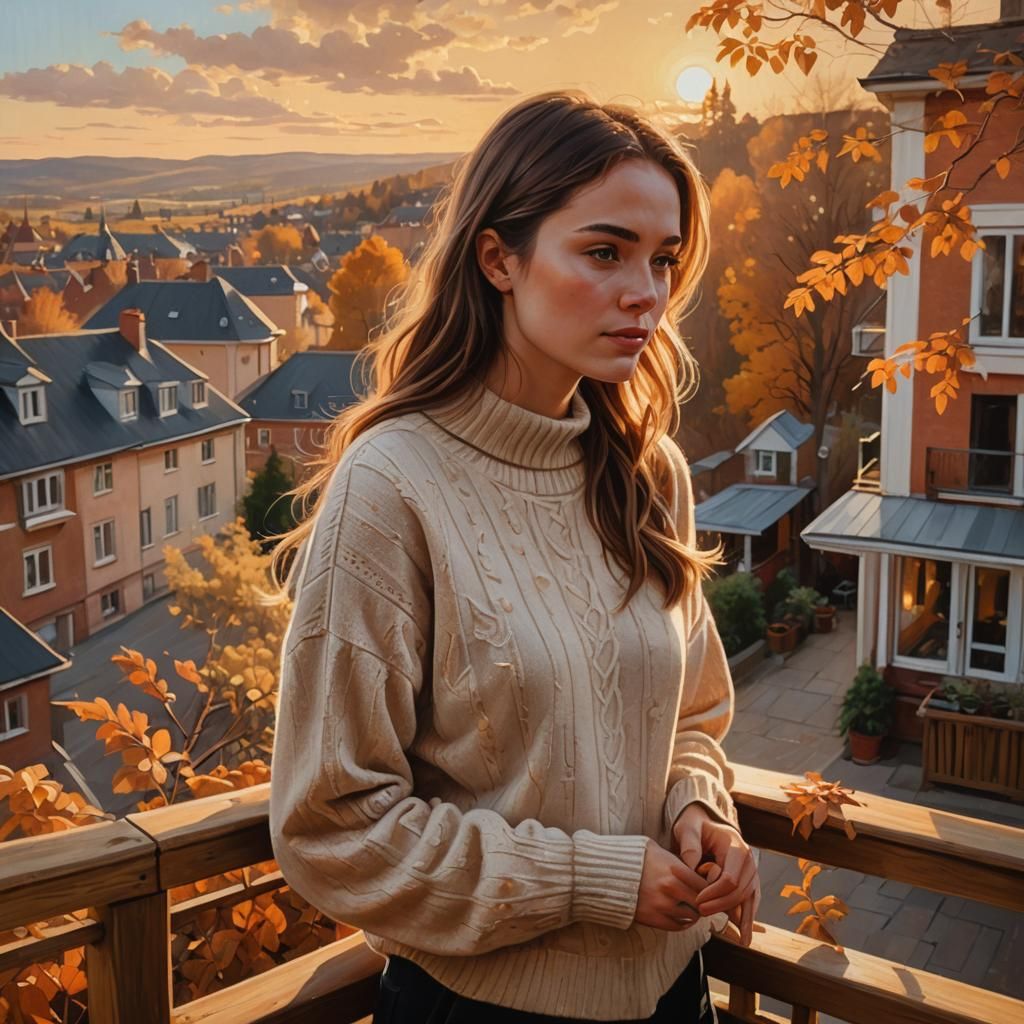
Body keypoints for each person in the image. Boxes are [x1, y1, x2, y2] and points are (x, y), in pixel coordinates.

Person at [268, 90, 760, 1024]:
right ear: (499, 256)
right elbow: (332, 825)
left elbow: (690, 717)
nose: (646, 293)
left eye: (664, 260)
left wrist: (701, 810)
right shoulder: (394, 484)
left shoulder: (647, 471)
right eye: (605, 251)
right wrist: (591, 880)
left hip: (674, 994)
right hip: (485, 1008)